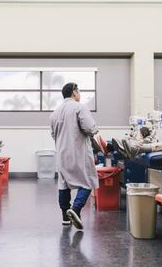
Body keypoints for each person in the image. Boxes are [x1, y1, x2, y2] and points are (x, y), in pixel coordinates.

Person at [50, 83, 99, 230]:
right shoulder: (79, 107)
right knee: (87, 181)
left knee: (64, 184)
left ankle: (65, 216)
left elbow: (53, 134)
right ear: (74, 92)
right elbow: (90, 128)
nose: (80, 94)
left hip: (62, 153)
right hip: (78, 153)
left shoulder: (55, 113)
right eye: (79, 91)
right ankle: (76, 209)